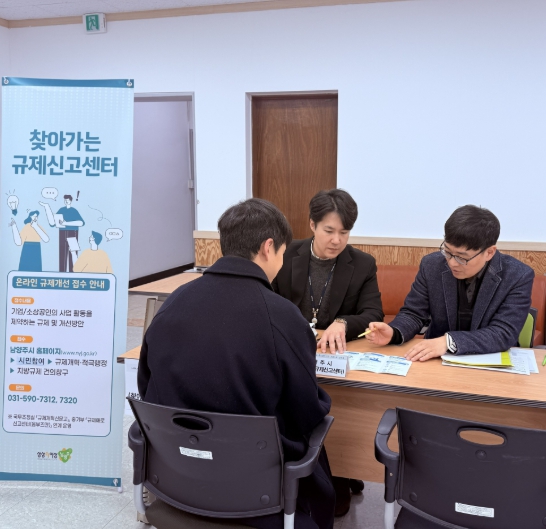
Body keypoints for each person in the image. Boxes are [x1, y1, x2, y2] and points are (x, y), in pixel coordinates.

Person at [138, 198, 335, 529]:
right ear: (268, 248)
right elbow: (306, 411)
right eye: (283, 253)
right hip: (258, 495)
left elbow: (147, 387)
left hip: (176, 483)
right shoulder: (283, 318)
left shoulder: (172, 304)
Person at [273, 188, 383, 516]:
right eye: (329, 231)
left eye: (344, 233)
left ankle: (339, 472)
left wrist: (343, 322)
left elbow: (373, 313)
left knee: (345, 408)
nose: (337, 241)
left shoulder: (362, 264)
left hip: (335, 360)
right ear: (312, 225)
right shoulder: (285, 254)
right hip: (290, 355)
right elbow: (268, 299)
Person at [366, 205, 534, 361]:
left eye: (462, 257)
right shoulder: (431, 265)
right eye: (447, 251)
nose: (452, 262)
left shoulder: (518, 276)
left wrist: (449, 342)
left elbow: (503, 333)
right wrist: (394, 332)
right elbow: (414, 313)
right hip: (436, 361)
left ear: (489, 252)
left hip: (491, 361)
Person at [40, 195, 85, 272]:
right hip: (62, 233)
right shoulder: (61, 210)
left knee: (73, 255)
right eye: (65, 200)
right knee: (62, 254)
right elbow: (52, 223)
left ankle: (73, 274)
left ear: (71, 201)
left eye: (67, 200)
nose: (66, 201)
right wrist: (47, 207)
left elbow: (81, 223)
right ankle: (61, 273)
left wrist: (66, 223)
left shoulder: (74, 210)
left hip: (73, 233)